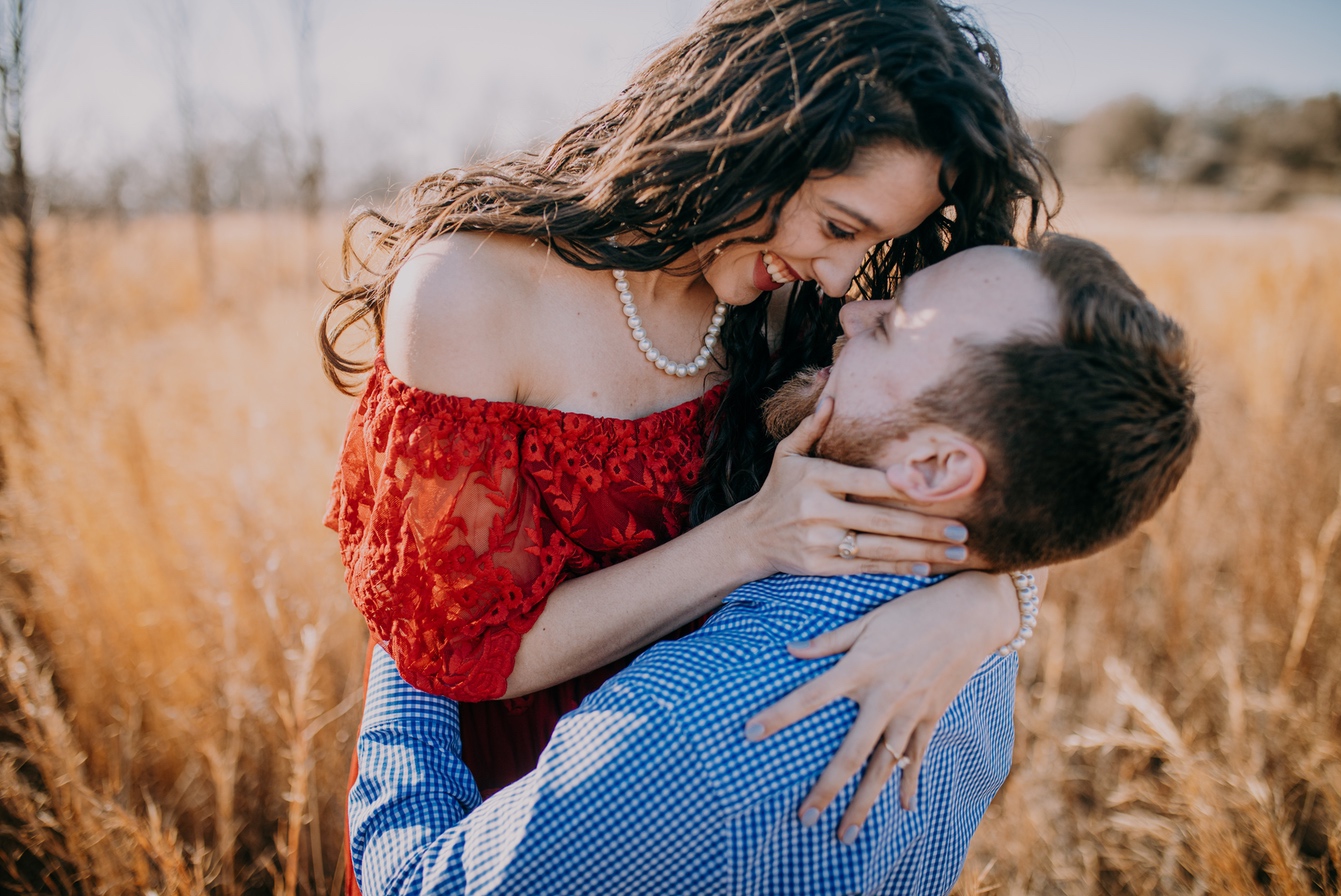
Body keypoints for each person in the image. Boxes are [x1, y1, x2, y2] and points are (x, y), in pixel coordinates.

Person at [321, 0, 1057, 889]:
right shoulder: (473, 294)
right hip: (515, 810)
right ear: (750, 128)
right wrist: (749, 540)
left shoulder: (794, 302)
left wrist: (985, 605)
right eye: (837, 225)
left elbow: (1018, 458)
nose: (839, 275)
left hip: (721, 791)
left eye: (872, 243)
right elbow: (467, 655)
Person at [348, 236, 1200, 895]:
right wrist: (996, 598)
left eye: (894, 322)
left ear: (938, 471)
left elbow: (418, 884)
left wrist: (418, 620)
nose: (849, 310)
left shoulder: (690, 727)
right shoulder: (974, 669)